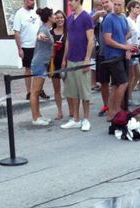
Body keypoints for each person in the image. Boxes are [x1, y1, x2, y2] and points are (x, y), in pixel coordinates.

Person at [60, 0, 94, 132]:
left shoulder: (86, 17)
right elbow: (68, 39)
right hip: (71, 60)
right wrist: (64, 58)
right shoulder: (69, 19)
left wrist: (87, 59)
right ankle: (75, 118)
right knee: (72, 91)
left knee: (84, 91)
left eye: (72, 1)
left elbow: (91, 39)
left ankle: (86, 119)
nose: (69, 4)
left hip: (82, 59)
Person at [102, 0, 134, 121]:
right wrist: (125, 46)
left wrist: (127, 48)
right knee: (123, 82)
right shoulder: (109, 19)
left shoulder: (123, 18)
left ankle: (111, 112)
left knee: (115, 85)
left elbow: (127, 33)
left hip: (121, 54)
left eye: (119, 4)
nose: (116, 7)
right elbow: (107, 40)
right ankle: (115, 110)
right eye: (115, 4)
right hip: (112, 56)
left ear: (124, 6)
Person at [13, 0, 48, 100]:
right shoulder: (19, 14)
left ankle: (39, 89)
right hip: (26, 46)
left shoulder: (36, 13)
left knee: (40, 68)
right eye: (31, 0)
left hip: (38, 45)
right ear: (25, 1)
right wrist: (19, 49)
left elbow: (41, 27)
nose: (33, 2)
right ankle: (29, 92)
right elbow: (17, 32)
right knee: (28, 69)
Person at [29, 8, 55, 126]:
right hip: (39, 63)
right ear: (49, 17)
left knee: (38, 91)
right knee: (35, 92)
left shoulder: (46, 28)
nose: (54, 16)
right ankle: (35, 118)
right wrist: (40, 36)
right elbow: (40, 35)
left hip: (43, 63)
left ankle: (38, 115)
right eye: (53, 15)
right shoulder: (43, 29)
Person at [50, 10, 66, 120]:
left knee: (69, 88)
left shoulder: (68, 32)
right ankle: (59, 111)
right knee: (57, 89)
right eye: (58, 18)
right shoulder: (51, 32)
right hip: (54, 63)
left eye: (61, 17)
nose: (60, 20)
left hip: (65, 62)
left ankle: (72, 110)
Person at [126, 1, 140, 103]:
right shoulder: (128, 20)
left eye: (139, 7)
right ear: (131, 8)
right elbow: (127, 35)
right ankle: (128, 97)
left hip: (136, 49)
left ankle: (129, 96)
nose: (139, 9)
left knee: (137, 74)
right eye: (137, 7)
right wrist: (129, 48)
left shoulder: (136, 21)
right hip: (131, 50)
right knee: (132, 75)